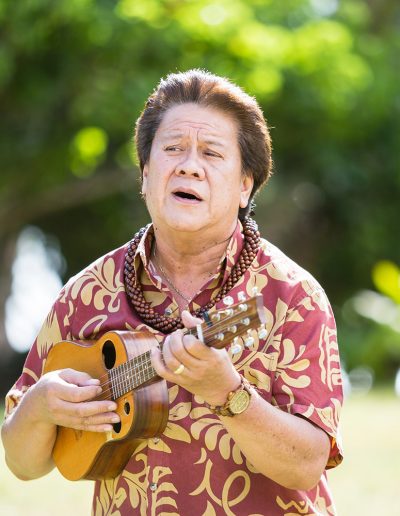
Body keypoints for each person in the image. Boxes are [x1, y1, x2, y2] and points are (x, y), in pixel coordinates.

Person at [2, 70, 343, 515]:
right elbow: (22, 463)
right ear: (145, 174)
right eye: (173, 149)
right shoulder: (85, 293)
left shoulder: (290, 297)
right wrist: (41, 405)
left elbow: (307, 466)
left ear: (245, 186)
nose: (188, 165)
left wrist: (227, 391)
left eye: (212, 153)